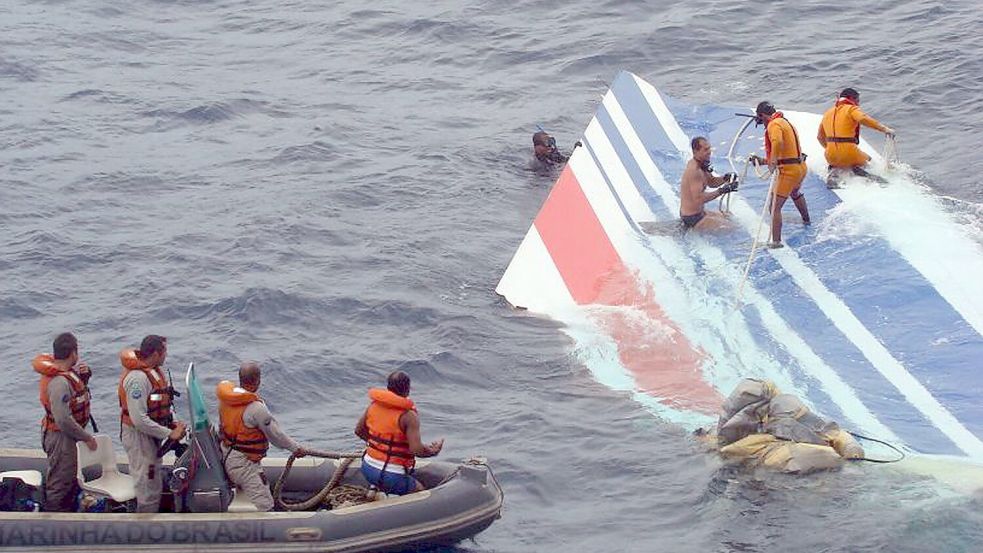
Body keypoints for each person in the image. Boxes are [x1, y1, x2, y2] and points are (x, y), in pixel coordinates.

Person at [216, 361, 310, 512]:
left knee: (262, 488)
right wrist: (296, 449)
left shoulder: (225, 401)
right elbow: (276, 436)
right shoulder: (256, 409)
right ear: (257, 380)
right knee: (265, 504)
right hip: (244, 465)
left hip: (227, 455)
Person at [118, 335, 186, 512]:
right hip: (138, 437)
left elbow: (161, 403)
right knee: (146, 482)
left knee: (153, 479)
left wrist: (174, 425)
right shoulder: (138, 379)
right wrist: (169, 433)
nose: (166, 355)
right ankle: (144, 525)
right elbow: (139, 419)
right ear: (156, 353)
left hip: (152, 435)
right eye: (164, 351)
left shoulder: (155, 373)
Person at [33, 332, 97, 512]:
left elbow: (74, 397)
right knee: (60, 483)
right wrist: (86, 437)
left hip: (67, 436)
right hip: (60, 437)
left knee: (69, 479)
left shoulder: (68, 374)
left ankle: (68, 512)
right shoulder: (59, 382)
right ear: (72, 353)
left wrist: (84, 379)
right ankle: (53, 520)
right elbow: (62, 419)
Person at [354, 371, 443, 495]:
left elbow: (359, 431)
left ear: (388, 387)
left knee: (390, 477)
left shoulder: (374, 405)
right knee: (420, 493)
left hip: (367, 468)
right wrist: (433, 451)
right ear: (407, 389)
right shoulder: (408, 416)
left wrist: (380, 446)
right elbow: (416, 450)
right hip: (391, 475)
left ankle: (375, 489)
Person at [749, 101, 811, 249]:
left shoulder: (774, 125)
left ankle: (775, 242)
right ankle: (806, 220)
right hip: (800, 168)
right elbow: (787, 154)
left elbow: (777, 142)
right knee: (795, 192)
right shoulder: (784, 122)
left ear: (763, 115)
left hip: (789, 172)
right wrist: (763, 161)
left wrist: (772, 163)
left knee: (774, 207)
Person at [817, 88, 895, 187]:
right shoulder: (851, 109)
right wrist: (884, 129)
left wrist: (831, 149)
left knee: (838, 163)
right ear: (851, 99)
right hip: (849, 153)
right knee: (869, 160)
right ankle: (858, 170)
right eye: (857, 101)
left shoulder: (827, 113)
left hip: (829, 155)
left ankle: (834, 173)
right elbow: (862, 118)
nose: (858, 104)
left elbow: (819, 137)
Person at [679, 136, 739, 230]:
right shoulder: (694, 171)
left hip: (700, 212)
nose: (709, 152)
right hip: (693, 218)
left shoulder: (702, 164)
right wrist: (722, 191)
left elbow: (711, 182)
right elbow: (698, 199)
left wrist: (725, 178)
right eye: (706, 149)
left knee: (728, 216)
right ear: (695, 152)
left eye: (709, 148)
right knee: (733, 228)